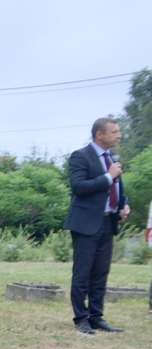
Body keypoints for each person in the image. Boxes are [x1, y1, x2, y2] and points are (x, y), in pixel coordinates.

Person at [63, 118, 130, 334]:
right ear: (99, 134)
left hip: (107, 221)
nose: (119, 135)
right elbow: (79, 186)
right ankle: (81, 318)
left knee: (101, 273)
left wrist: (122, 205)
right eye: (114, 132)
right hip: (86, 224)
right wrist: (108, 176)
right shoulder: (81, 156)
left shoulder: (112, 157)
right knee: (82, 274)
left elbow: (116, 188)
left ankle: (96, 316)